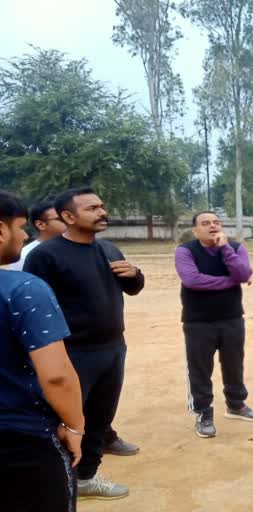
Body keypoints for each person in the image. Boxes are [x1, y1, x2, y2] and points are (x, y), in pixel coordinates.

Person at [24, 187, 144, 500]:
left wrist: (135, 274)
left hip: (113, 348)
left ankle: (87, 476)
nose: (101, 212)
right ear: (68, 216)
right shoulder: (45, 256)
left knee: (100, 418)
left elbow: (132, 289)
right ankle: (55, 481)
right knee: (64, 420)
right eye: (91, 208)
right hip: (71, 353)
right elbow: (34, 309)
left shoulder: (109, 250)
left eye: (101, 206)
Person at [0, 191, 85, 512]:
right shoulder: (23, 290)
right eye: (21, 226)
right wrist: (75, 426)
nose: (24, 236)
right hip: (22, 441)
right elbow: (57, 376)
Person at [175, 211, 253, 439]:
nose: (212, 226)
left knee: (234, 364)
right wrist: (230, 281)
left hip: (232, 317)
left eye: (216, 222)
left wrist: (225, 249)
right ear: (195, 230)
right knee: (200, 368)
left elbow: (243, 272)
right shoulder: (185, 251)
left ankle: (236, 404)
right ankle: (203, 413)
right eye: (205, 223)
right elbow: (192, 280)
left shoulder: (235, 247)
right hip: (198, 321)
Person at [5, 200, 66, 271]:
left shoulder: (75, 247)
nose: (67, 221)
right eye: (60, 219)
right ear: (40, 224)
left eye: (68, 216)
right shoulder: (25, 256)